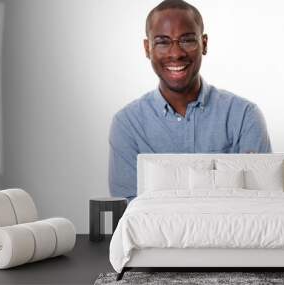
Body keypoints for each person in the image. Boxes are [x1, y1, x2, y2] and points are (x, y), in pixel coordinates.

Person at [109, 0, 272, 201]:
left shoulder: (244, 116)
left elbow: (260, 202)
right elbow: (129, 211)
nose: (176, 53)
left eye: (187, 40)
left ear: (204, 44)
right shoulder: (128, 124)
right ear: (147, 48)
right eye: (162, 42)